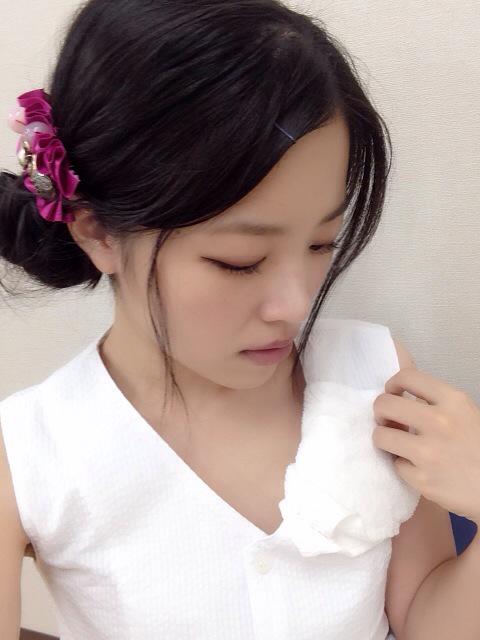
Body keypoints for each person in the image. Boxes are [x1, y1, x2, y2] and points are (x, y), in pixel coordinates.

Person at [0, 1, 429, 638]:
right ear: (97, 233)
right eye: (239, 260)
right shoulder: (32, 451)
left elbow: (430, 617)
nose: (295, 305)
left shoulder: (375, 377)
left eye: (322, 244)